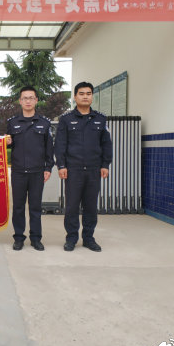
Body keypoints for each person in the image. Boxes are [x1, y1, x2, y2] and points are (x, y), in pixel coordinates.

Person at [54, 81, 112, 252]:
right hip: (73, 170)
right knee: (71, 207)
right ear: (75, 96)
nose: (85, 97)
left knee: (91, 207)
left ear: (92, 96)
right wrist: (61, 165)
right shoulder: (66, 119)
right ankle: (71, 238)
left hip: (94, 170)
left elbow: (106, 144)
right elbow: (60, 144)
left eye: (88, 93)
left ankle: (88, 238)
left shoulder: (100, 119)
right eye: (81, 93)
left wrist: (105, 164)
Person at [6, 86, 54, 251]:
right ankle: (19, 238)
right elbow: (5, 146)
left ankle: (36, 239)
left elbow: (49, 148)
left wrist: (48, 168)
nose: (28, 101)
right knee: (18, 207)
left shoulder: (44, 123)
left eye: (31, 98)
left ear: (36, 100)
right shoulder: (12, 123)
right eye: (25, 98)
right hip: (18, 172)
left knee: (35, 207)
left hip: (37, 172)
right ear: (20, 101)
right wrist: (6, 143)